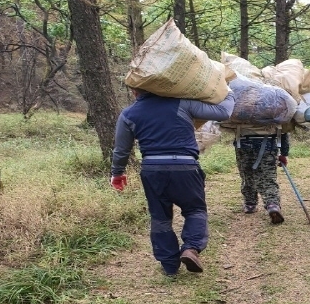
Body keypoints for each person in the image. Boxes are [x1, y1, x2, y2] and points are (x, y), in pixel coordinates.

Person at [110, 87, 235, 277]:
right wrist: (229, 93)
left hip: (152, 170)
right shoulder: (182, 103)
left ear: (136, 90)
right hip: (185, 167)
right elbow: (223, 113)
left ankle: (169, 265)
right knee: (195, 210)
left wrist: (117, 173)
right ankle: (191, 248)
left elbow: (121, 150)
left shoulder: (128, 114)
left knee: (160, 218)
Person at [234, 129, 289, 224]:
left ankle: (250, 204)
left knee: (247, 175)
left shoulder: (241, 115)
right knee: (268, 178)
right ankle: (272, 204)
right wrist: (284, 153)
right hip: (268, 145)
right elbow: (284, 130)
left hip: (243, 144)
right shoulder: (275, 114)